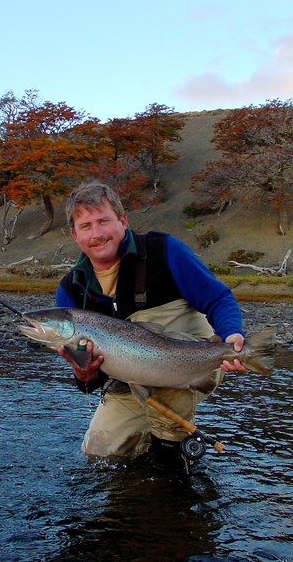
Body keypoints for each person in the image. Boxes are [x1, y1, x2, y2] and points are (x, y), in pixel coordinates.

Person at [55, 182, 248, 473]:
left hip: (195, 359)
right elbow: (88, 383)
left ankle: (172, 456)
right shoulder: (71, 290)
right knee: (101, 454)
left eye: (104, 221)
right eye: (86, 226)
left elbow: (218, 298)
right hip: (130, 379)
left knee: (167, 439)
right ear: (75, 235)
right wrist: (84, 372)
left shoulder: (163, 250)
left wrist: (232, 335)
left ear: (122, 221)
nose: (96, 234)